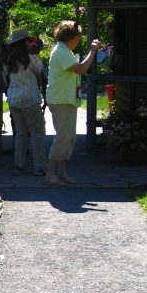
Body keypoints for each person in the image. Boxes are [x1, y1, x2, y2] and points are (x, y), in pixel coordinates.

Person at [45, 20, 100, 185]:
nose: (79, 39)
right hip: (61, 100)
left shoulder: (65, 51)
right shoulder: (61, 52)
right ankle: (50, 174)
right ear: (71, 37)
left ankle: (61, 174)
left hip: (67, 99)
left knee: (69, 138)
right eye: (78, 36)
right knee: (63, 138)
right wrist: (92, 51)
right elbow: (81, 69)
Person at [2, 28, 47, 175]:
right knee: (37, 132)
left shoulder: (7, 61)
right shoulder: (30, 59)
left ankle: (19, 165)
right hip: (30, 98)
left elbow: (4, 80)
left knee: (21, 132)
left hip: (14, 99)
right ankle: (39, 166)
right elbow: (42, 73)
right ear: (25, 43)